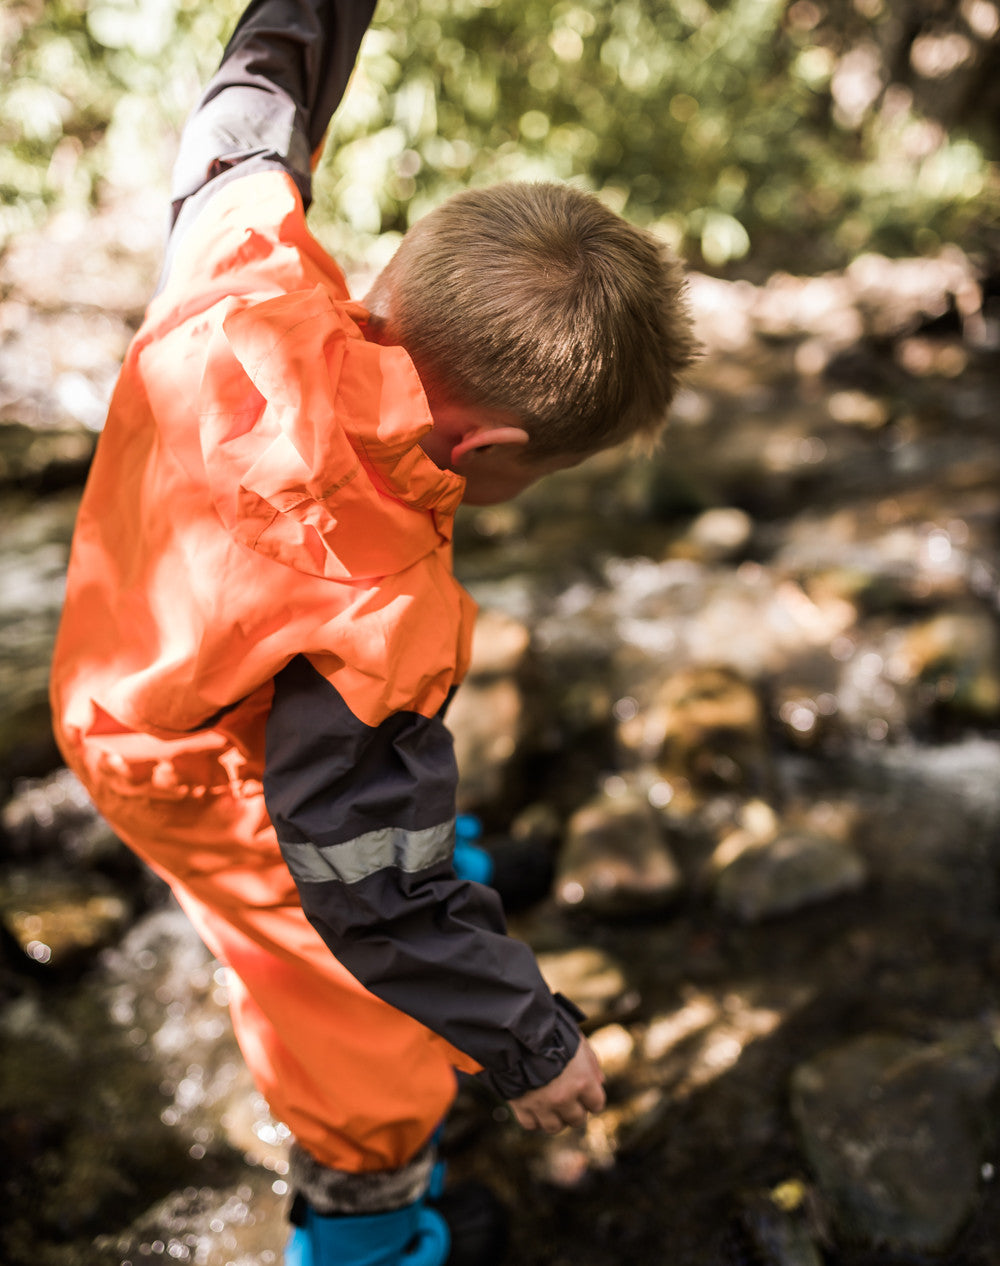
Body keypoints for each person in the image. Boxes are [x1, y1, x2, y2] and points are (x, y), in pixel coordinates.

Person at [49, 1, 698, 1263]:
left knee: (385, 829)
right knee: (366, 1051)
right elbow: (375, 908)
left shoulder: (242, 258)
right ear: (488, 450)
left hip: (118, 661)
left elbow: (260, 93)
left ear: (392, 270)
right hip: (201, 776)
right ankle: (368, 1227)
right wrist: (534, 1043)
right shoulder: (376, 610)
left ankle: (420, 826)